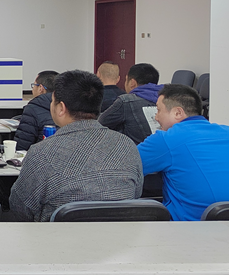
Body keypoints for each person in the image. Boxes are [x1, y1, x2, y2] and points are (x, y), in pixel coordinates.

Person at [9, 70, 143, 222]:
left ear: (61, 108)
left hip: (55, 236)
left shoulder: (42, 152)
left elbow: (19, 207)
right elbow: (136, 194)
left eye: (52, 101)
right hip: (119, 235)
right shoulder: (127, 146)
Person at [138, 84, 229, 221]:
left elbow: (123, 166)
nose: (156, 117)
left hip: (190, 228)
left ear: (178, 113)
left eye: (159, 110)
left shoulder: (166, 139)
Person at [99, 62, 162, 144]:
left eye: (126, 80)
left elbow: (100, 123)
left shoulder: (126, 101)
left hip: (136, 150)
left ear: (132, 83)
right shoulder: (167, 100)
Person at [13, 70, 58, 152]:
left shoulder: (33, 108)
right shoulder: (68, 107)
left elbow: (22, 146)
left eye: (34, 85)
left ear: (41, 88)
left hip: (38, 156)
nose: (33, 88)